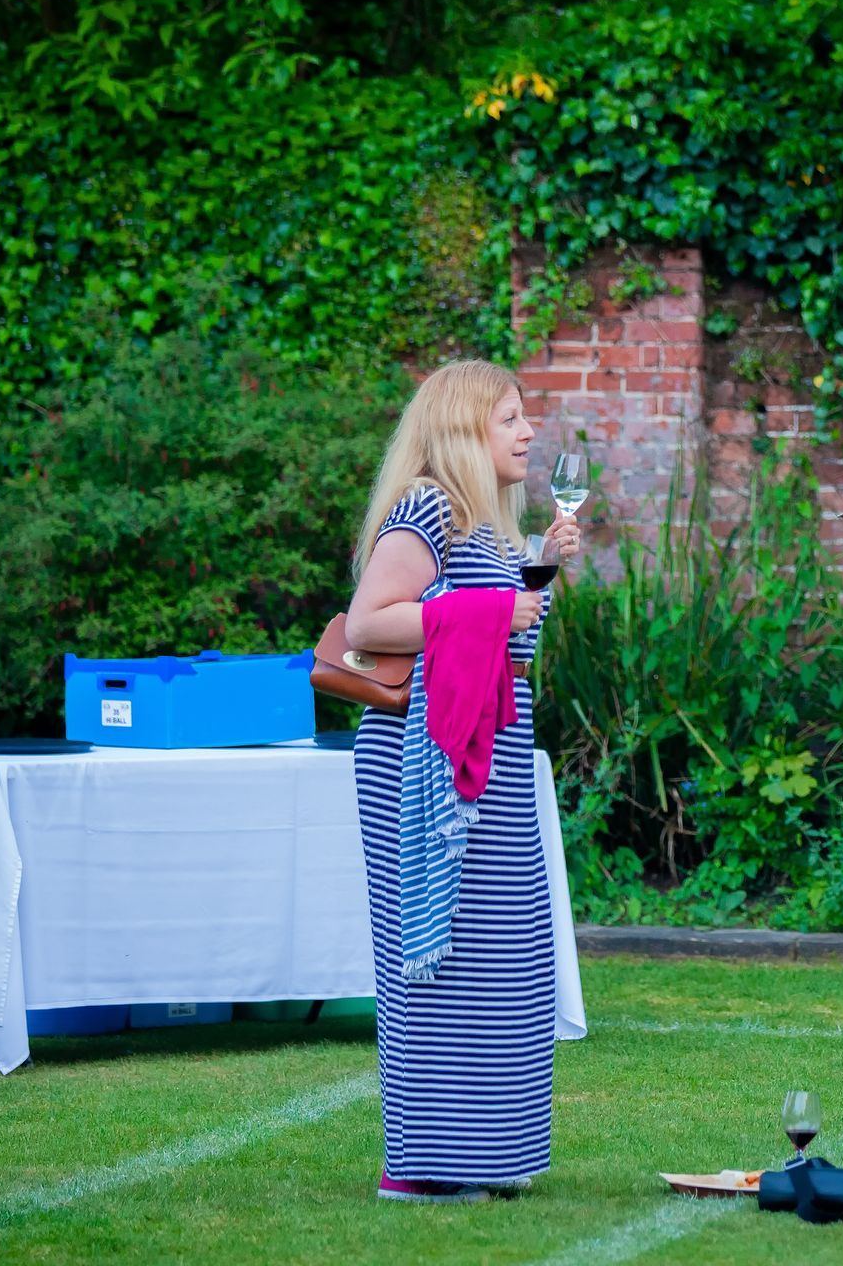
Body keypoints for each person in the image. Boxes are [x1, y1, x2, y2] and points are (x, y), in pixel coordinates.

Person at [345, 359, 582, 1203]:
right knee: (439, 962)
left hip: (491, 754)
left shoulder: (485, 526)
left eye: (526, 418)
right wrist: (493, 607)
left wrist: (540, 572)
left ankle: (479, 1155)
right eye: (510, 419)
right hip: (425, 760)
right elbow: (372, 622)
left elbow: (508, 644)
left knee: (505, 961)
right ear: (461, 431)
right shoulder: (428, 508)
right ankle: (415, 1166)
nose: (528, 433)